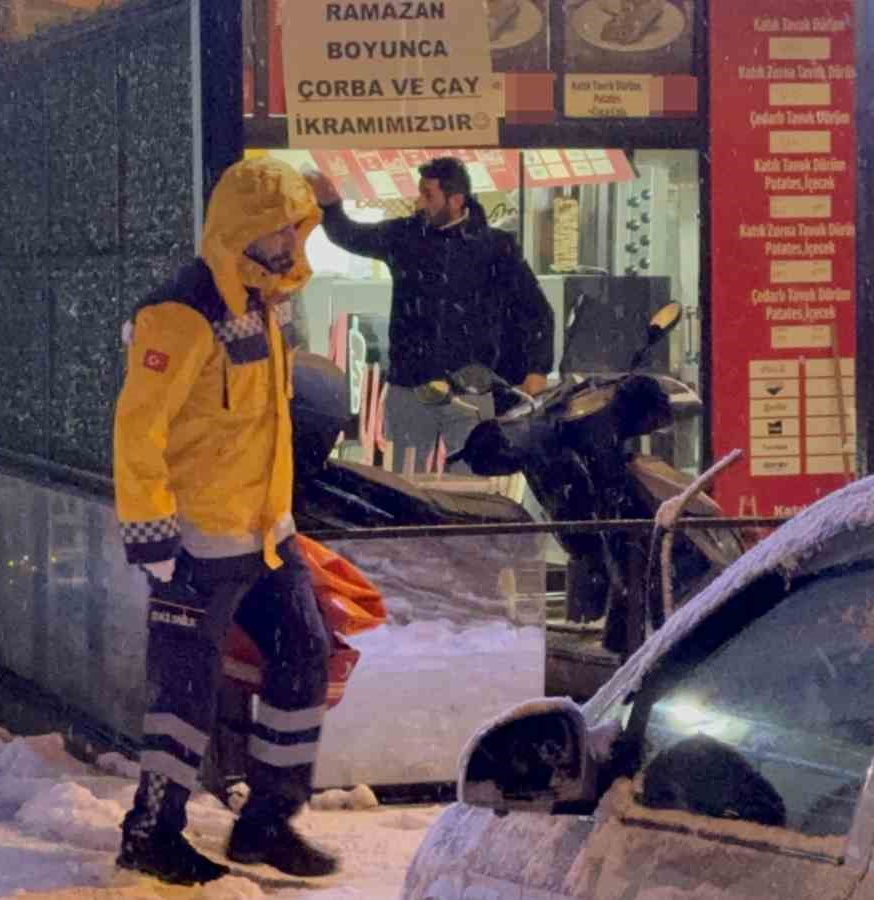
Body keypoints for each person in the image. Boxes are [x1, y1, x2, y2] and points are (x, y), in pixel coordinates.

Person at [111, 157, 337, 885]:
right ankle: (150, 832)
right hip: (198, 544)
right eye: (277, 229)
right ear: (241, 229)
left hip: (268, 535)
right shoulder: (181, 312)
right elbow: (138, 426)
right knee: (183, 696)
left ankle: (267, 820)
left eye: (295, 229)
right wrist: (150, 529)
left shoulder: (261, 301)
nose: (289, 244)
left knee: (304, 657)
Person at [305, 157, 555, 470]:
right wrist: (331, 207)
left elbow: (536, 310)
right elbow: (351, 236)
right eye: (420, 193)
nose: (419, 202)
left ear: (456, 199)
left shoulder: (495, 247)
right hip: (410, 385)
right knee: (405, 485)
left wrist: (537, 369)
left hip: (472, 389)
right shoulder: (405, 236)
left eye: (428, 195)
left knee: (472, 488)